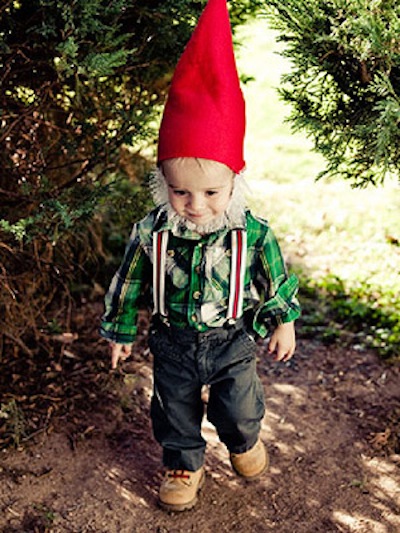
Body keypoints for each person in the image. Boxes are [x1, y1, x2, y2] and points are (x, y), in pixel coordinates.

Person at [100, 0, 300, 512]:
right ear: (162, 184)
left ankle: (243, 441)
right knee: (174, 409)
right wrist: (121, 331)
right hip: (172, 340)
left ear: (235, 182)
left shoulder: (251, 232)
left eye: (211, 192)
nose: (195, 205)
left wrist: (282, 320)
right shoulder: (151, 232)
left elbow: (274, 280)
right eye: (180, 192)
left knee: (239, 407)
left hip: (231, 339)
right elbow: (128, 283)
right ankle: (183, 464)